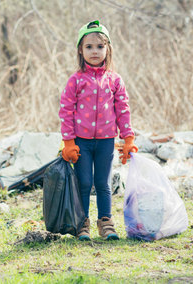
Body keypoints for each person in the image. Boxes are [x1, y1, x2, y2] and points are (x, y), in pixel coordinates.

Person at [59, 20, 138, 241]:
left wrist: (128, 138)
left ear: (108, 49)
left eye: (100, 47)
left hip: (106, 141)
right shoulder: (75, 80)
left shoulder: (114, 80)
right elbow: (66, 110)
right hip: (81, 142)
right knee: (84, 183)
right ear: (80, 50)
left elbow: (123, 110)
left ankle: (106, 223)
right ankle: (82, 224)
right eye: (89, 47)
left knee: (103, 183)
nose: (95, 51)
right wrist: (68, 142)